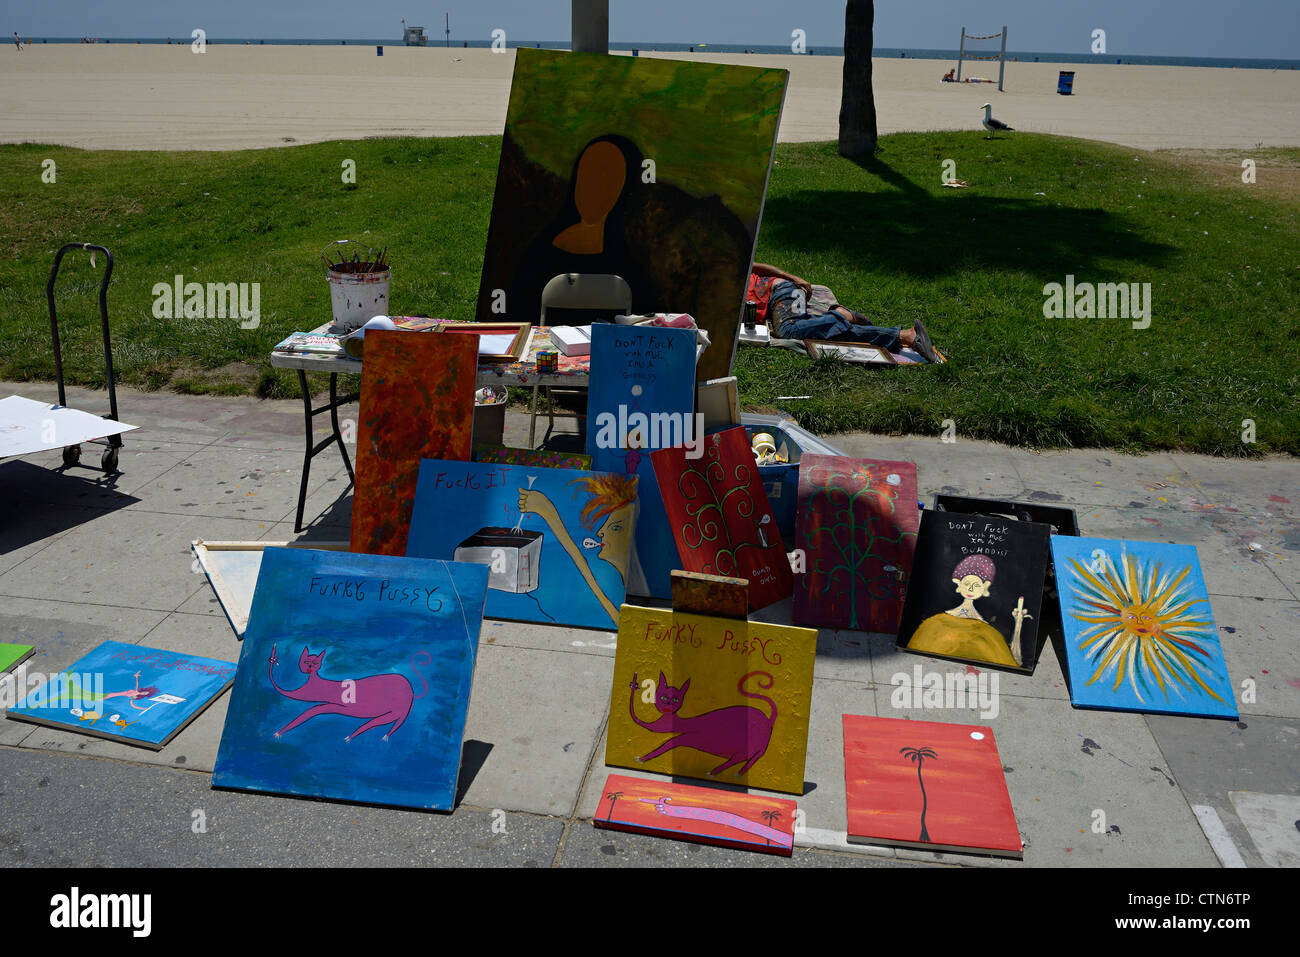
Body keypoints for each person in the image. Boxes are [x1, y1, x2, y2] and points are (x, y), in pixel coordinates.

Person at [746, 262, 939, 361]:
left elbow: (754, 265)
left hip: (783, 291)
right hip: (781, 297)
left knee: (788, 331)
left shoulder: (721, 266)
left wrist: (792, 277)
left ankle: (841, 315)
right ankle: (904, 336)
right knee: (817, 331)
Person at [905, 553, 1032, 666]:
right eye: (967, 584)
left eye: (976, 585)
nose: (971, 589)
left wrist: (1018, 624)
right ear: (958, 584)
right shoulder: (933, 624)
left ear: (984, 588)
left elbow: (1014, 663)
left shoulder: (989, 634)